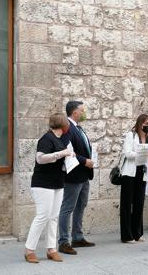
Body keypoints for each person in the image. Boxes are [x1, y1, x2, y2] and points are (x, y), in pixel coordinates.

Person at [24, 113, 72, 263]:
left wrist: (70, 156)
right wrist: (61, 154)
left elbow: (59, 158)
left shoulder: (59, 139)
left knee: (53, 216)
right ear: (64, 126)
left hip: (57, 182)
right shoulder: (46, 138)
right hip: (42, 183)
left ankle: (51, 249)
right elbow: (40, 158)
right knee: (42, 216)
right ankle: (29, 250)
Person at [58, 101, 95, 255]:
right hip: (73, 175)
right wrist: (84, 160)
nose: (84, 112)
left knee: (81, 205)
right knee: (68, 208)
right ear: (75, 112)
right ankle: (64, 242)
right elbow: (66, 150)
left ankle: (77, 237)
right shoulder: (68, 128)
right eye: (82, 110)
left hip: (84, 175)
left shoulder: (78, 128)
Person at [119, 114, 148, 243]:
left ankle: (137, 233)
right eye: (145, 123)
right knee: (127, 205)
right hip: (130, 173)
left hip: (142, 173)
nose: (147, 125)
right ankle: (127, 235)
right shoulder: (131, 135)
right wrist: (141, 153)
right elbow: (127, 153)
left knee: (139, 203)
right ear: (140, 123)